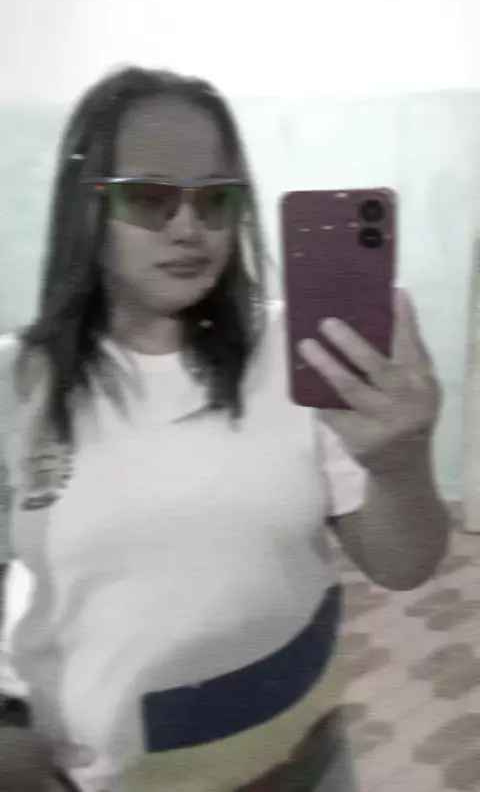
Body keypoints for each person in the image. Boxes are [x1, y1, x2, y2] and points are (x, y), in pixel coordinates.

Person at [0, 67, 449, 792]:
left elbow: (404, 566)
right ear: (85, 207)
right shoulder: (16, 381)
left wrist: (403, 461)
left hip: (304, 763)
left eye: (216, 199)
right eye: (151, 198)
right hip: (100, 777)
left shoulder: (298, 352)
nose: (190, 227)